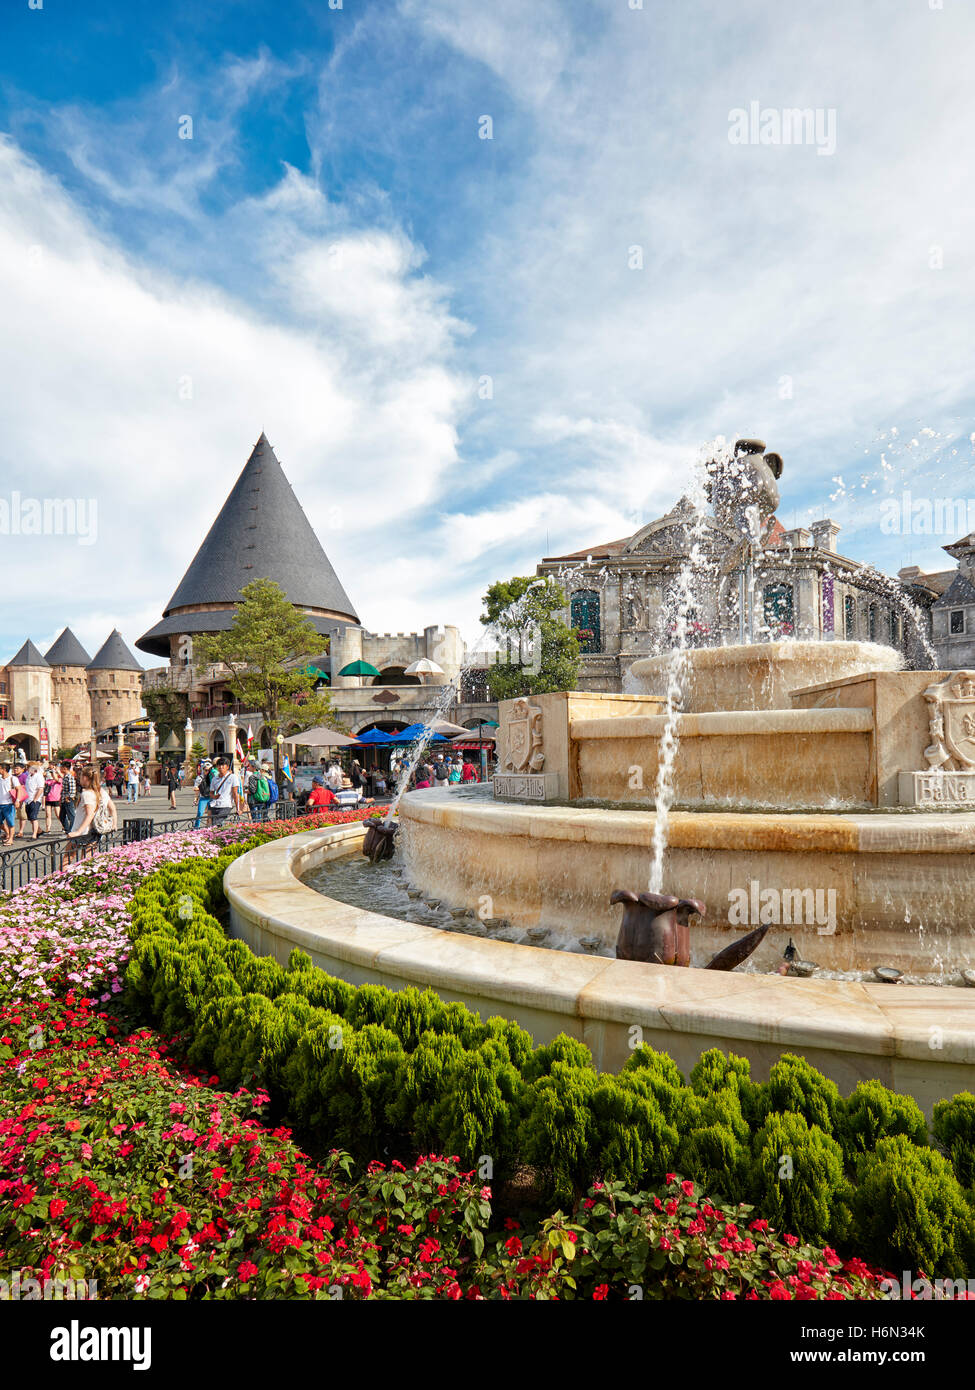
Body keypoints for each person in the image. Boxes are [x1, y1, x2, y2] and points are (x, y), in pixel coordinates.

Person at [67, 766, 117, 860]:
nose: (79, 778)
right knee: (86, 860)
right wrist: (114, 824)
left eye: (81, 776)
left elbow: (90, 814)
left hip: (82, 831)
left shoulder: (87, 794)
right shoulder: (101, 791)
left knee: (67, 859)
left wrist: (78, 832)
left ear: (85, 778)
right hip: (95, 830)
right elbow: (112, 808)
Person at [208, 756, 238, 823]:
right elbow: (211, 792)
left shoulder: (233, 777)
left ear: (227, 767)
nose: (221, 767)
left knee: (216, 823)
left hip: (226, 805)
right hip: (215, 805)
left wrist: (238, 808)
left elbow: (235, 793)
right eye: (219, 765)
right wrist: (214, 796)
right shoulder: (214, 779)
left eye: (223, 765)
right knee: (215, 824)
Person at [24, 761, 45, 840]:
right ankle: (39, 831)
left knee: (33, 817)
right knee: (30, 818)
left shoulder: (38, 776)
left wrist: (35, 799)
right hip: (28, 799)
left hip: (35, 799)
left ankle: (34, 835)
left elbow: (40, 788)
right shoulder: (29, 776)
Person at [59, 761, 78, 836]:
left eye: (61, 767)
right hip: (64, 798)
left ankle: (71, 832)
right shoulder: (65, 776)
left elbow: (73, 789)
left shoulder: (69, 777)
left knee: (71, 816)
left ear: (64, 768)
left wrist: (68, 798)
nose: (60, 769)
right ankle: (67, 830)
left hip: (68, 799)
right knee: (62, 816)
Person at [43, 766, 62, 835]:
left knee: (58, 814)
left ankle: (63, 826)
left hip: (56, 799)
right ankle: (48, 829)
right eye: (51, 773)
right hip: (48, 799)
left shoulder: (59, 780)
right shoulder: (47, 781)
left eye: (53, 773)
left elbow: (56, 779)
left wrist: (54, 771)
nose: (52, 774)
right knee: (48, 814)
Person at [0, 766, 15, 846]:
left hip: (9, 804)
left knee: (10, 822)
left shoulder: (12, 778)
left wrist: (18, 800)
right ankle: (7, 833)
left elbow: (18, 788)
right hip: (0, 803)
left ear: (4, 769)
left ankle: (10, 839)